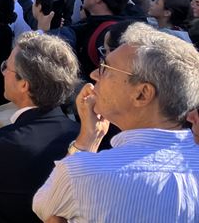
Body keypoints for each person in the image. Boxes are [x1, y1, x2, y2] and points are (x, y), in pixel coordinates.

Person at [33, 23, 199, 222]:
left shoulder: (83, 174)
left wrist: (86, 141)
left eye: (105, 68)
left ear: (142, 94)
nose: (94, 74)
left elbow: (44, 207)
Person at [0, 33, 80, 223]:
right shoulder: (80, 136)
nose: (2, 72)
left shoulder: (0, 145)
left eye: (6, 67)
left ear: (24, 84)